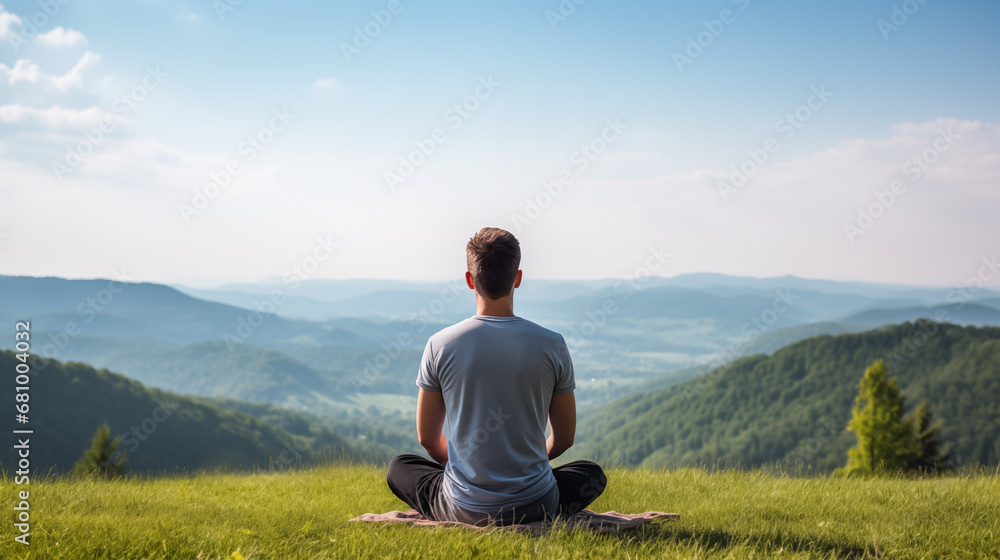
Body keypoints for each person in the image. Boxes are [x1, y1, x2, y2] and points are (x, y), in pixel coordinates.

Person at [385, 227, 607, 526]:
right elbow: (564, 439)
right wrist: (524, 466)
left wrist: (469, 469)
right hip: (536, 504)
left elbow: (427, 438)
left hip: (463, 507)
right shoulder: (552, 344)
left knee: (400, 466)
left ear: (468, 280)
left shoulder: (440, 344)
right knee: (591, 473)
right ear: (517, 278)